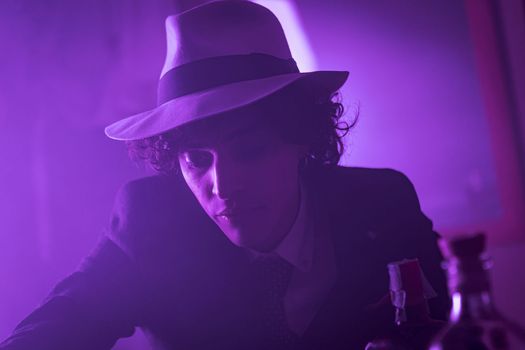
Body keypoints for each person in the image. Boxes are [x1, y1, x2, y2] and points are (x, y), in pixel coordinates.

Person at [0, 1, 449, 349]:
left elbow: (446, 329)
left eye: (250, 149)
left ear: (303, 140)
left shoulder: (383, 204)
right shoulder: (150, 223)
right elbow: (68, 318)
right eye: (196, 159)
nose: (223, 184)